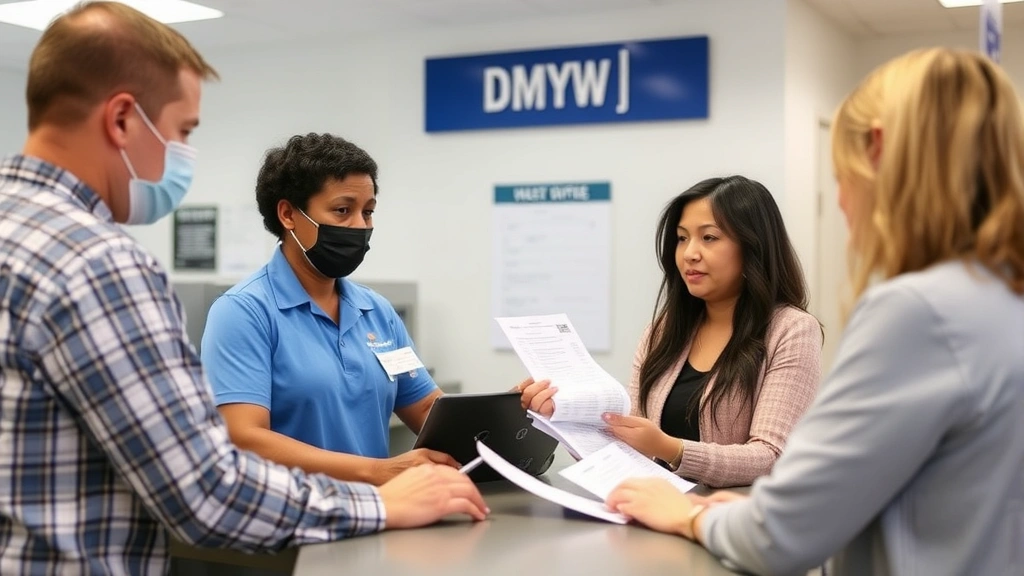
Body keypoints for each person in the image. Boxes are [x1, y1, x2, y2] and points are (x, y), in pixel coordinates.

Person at [0, 3, 486, 574]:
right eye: (182, 132)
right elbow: (204, 490)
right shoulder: (100, 264)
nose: (182, 156)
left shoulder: (21, 235)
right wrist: (378, 499)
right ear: (123, 119)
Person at [605, 47, 1024, 576]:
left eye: (840, 176)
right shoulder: (1001, 298)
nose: (844, 202)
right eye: (684, 239)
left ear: (877, 149)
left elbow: (784, 534)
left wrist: (691, 516)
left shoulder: (917, 313)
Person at [521, 175, 822, 487]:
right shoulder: (662, 332)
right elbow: (627, 451)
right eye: (681, 238)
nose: (689, 253)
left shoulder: (792, 330)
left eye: (709, 238)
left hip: (733, 521)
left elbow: (772, 457)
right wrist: (561, 415)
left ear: (752, 247)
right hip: (657, 513)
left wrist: (670, 448)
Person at [201, 133, 456, 485]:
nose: (361, 226)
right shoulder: (243, 312)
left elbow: (428, 410)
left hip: (381, 513)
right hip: (297, 523)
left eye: (368, 212)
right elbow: (245, 438)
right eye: (343, 210)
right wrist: (378, 471)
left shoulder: (377, 312)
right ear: (289, 214)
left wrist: (509, 412)